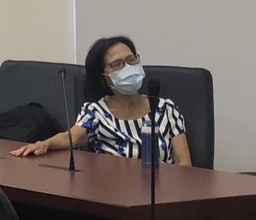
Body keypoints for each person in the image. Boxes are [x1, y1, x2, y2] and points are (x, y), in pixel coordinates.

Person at [10, 36, 191, 166]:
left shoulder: (166, 109)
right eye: (117, 64)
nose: (128, 68)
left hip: (163, 195)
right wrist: (45, 144)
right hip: (115, 196)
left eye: (131, 60)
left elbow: (184, 164)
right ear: (104, 78)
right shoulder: (97, 113)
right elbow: (69, 137)